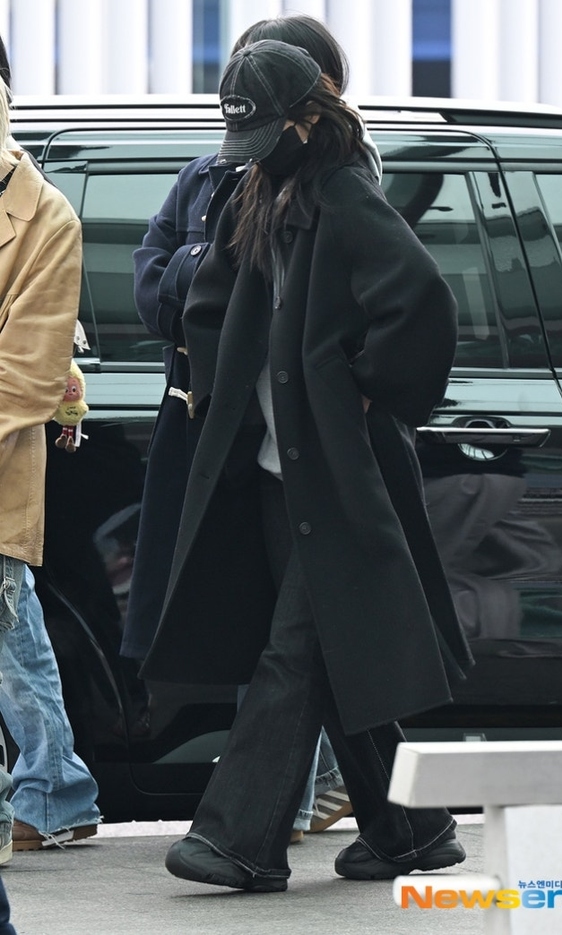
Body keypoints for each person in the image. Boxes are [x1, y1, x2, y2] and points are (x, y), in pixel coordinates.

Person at [140, 38, 473, 892]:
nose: (252, 155)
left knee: (294, 650)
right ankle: (412, 828)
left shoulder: (345, 192)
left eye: (264, 136)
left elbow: (423, 304)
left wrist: (360, 388)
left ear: (305, 119)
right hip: (273, 464)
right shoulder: (263, 190)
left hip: (335, 472)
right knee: (333, 645)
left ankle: (237, 839)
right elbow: (211, 299)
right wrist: (219, 385)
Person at [121, 14, 357, 837]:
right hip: (208, 428)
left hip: (295, 437)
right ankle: (344, 797)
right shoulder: (206, 174)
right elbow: (155, 286)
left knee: (300, 626)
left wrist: (200, 276)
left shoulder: (340, 181)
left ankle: (277, 807)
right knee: (255, 617)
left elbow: (280, 302)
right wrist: (202, 271)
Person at [0, 39, 101, 852]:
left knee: (10, 632)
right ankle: (54, 786)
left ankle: (54, 787)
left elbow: (27, 371)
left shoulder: (47, 217)